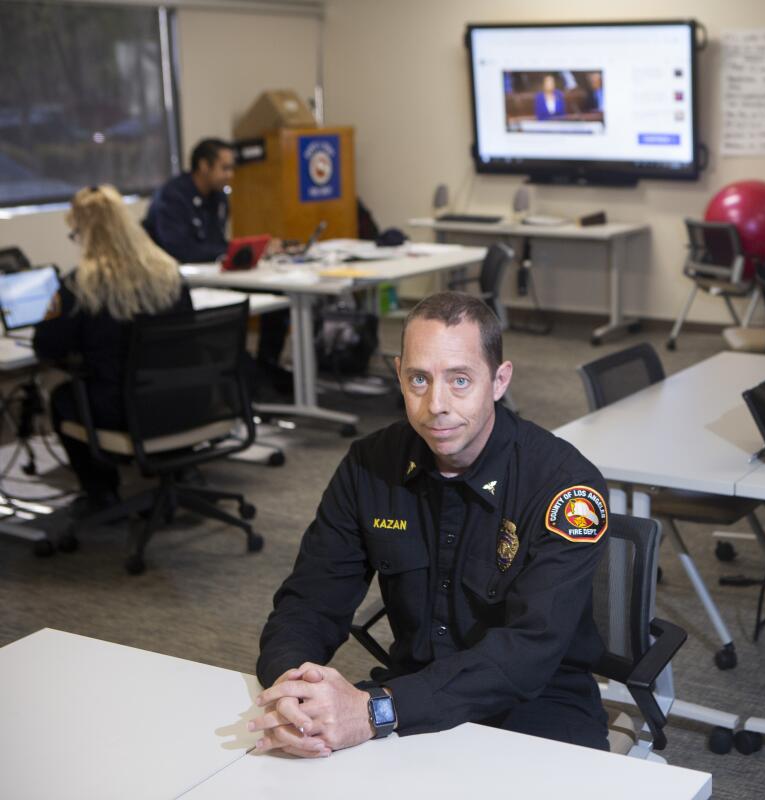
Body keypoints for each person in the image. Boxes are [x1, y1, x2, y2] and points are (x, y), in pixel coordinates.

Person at [253, 291, 611, 758]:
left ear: (500, 380)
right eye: (418, 379)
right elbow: (310, 600)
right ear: (399, 373)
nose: (435, 404)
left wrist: (374, 711)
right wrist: (294, 689)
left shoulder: (565, 485)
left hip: (536, 709)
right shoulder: (370, 464)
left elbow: (529, 653)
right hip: (411, 696)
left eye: (460, 380)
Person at [34, 185, 194, 514]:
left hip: (120, 410)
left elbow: (46, 346)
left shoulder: (80, 286)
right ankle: (176, 467)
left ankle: (101, 491)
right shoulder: (168, 273)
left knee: (64, 397)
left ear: (85, 232)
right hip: (183, 399)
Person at [142, 138, 289, 385]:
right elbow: (180, 249)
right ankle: (235, 374)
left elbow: (216, 243)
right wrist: (227, 251)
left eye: (232, 168)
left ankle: (267, 365)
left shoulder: (218, 198)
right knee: (230, 312)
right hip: (177, 282)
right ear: (204, 166)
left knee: (278, 293)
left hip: (214, 274)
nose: (230, 175)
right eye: (225, 168)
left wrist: (241, 252)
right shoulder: (173, 197)